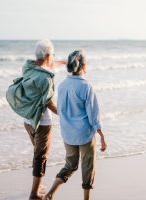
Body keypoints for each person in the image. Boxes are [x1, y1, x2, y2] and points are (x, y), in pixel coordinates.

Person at [44, 50, 107, 200]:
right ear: (83, 66)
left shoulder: (62, 85)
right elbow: (93, 116)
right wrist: (102, 136)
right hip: (85, 134)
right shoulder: (86, 86)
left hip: (68, 134)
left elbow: (61, 110)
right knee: (87, 167)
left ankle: (50, 193)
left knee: (70, 165)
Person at [6, 39, 64, 200]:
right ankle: (34, 194)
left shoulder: (28, 68)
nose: (53, 57)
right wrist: (64, 114)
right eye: (52, 55)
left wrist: (60, 62)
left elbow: (44, 68)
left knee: (37, 153)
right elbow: (49, 103)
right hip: (43, 123)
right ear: (47, 55)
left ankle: (38, 186)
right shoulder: (46, 79)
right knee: (41, 156)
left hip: (27, 120)